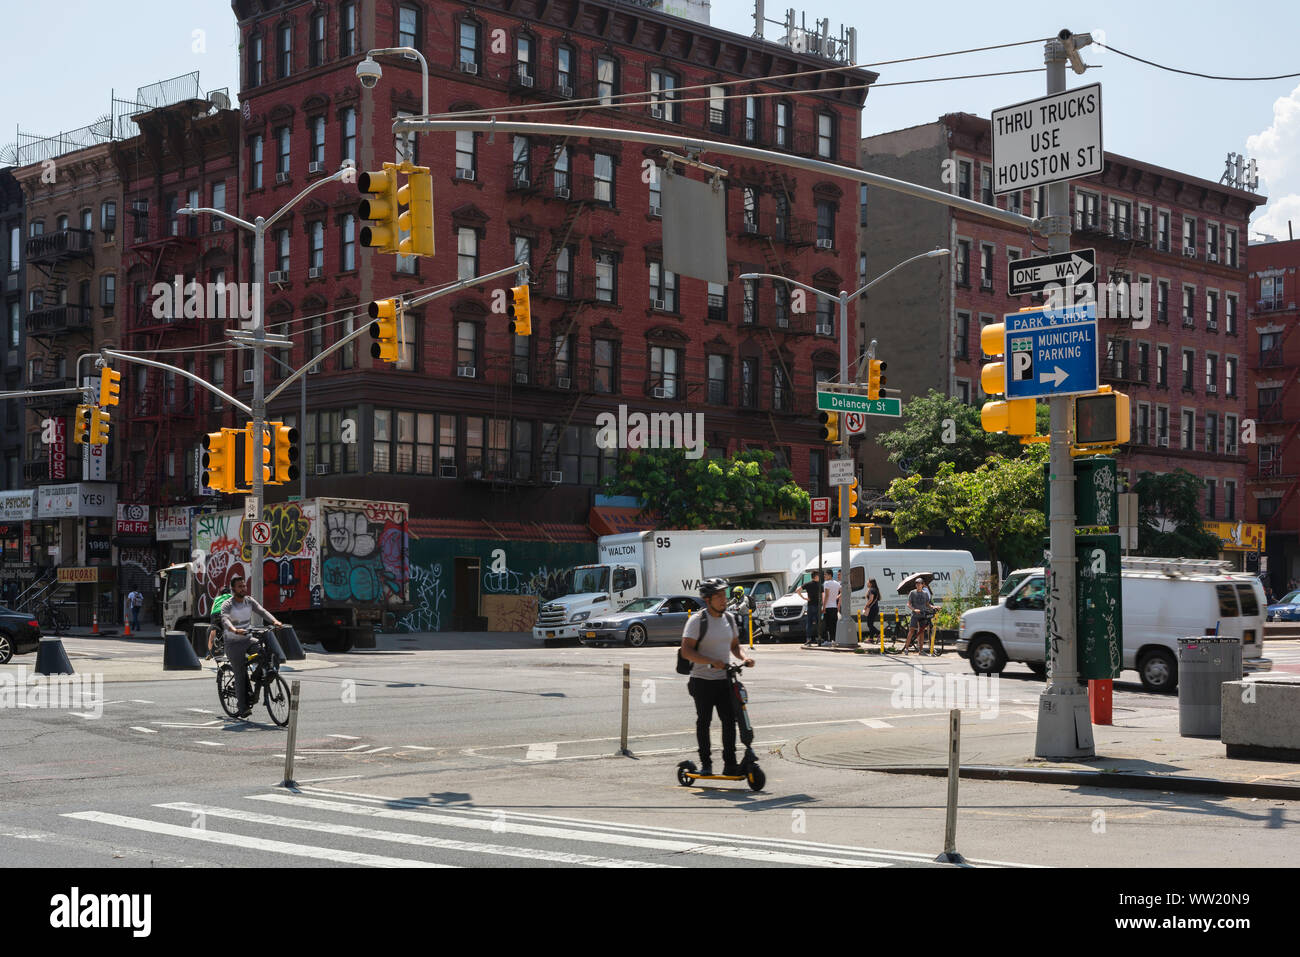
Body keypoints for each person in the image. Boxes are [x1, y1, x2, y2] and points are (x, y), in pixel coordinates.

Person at [680, 578, 754, 777]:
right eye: (718, 596)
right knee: (704, 721)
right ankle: (706, 763)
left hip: (724, 679)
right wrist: (710, 661)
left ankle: (730, 764)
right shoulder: (697, 621)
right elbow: (686, 651)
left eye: (724, 595)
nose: (724, 599)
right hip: (701, 681)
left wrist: (745, 657)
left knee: (729, 721)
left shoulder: (729, 619)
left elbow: (735, 646)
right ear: (707, 599)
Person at [219, 573, 284, 719]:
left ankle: (258, 677)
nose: (243, 588)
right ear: (233, 589)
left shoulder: (249, 601)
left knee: (265, 654)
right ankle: (242, 709)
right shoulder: (228, 604)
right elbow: (225, 620)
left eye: (244, 585)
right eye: (240, 586)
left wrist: (274, 621)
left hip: (247, 639)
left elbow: (262, 611)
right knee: (241, 675)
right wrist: (234, 630)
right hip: (233, 644)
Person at [901, 579, 934, 654]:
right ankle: (906, 649)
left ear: (922, 585)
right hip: (915, 615)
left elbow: (927, 604)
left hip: (923, 615)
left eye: (920, 584)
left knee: (921, 632)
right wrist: (914, 609)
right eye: (917, 584)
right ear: (915, 585)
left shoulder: (925, 594)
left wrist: (934, 607)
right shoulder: (912, 593)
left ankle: (921, 650)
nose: (918, 585)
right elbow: (908, 604)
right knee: (911, 630)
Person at [798, 569, 823, 647]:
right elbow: (822, 595)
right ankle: (819, 638)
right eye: (818, 576)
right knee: (818, 623)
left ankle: (808, 639)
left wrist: (804, 598)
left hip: (810, 605)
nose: (819, 577)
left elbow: (797, 590)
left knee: (809, 623)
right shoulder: (820, 585)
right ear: (815, 576)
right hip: (818, 605)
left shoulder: (808, 584)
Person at [820, 569, 841, 645]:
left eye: (825, 574)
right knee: (833, 625)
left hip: (828, 607)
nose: (824, 576)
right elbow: (842, 592)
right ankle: (833, 640)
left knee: (826, 624)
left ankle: (826, 641)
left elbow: (827, 595)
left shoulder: (826, 583)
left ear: (830, 575)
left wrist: (824, 606)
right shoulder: (837, 583)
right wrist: (836, 597)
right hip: (834, 607)